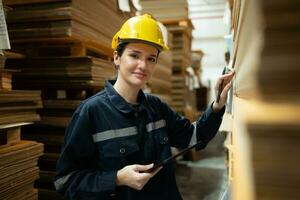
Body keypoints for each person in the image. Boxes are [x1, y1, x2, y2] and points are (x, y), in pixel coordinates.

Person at [54, 14, 235, 200]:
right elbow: (66, 181)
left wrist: (217, 105)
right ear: (117, 57)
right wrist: (116, 179)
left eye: (151, 59)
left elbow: (193, 137)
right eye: (134, 55)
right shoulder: (91, 112)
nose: (143, 65)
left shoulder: (156, 107)